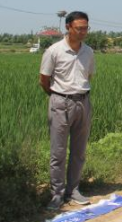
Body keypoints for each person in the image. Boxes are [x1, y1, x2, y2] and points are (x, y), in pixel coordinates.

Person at [39, 11, 96, 211]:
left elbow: (88, 76)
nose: (83, 32)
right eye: (79, 28)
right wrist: (58, 97)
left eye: (85, 28)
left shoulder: (88, 52)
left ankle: (73, 190)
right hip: (60, 102)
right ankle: (57, 194)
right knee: (58, 152)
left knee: (79, 151)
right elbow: (44, 80)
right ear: (68, 27)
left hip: (83, 102)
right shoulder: (54, 51)